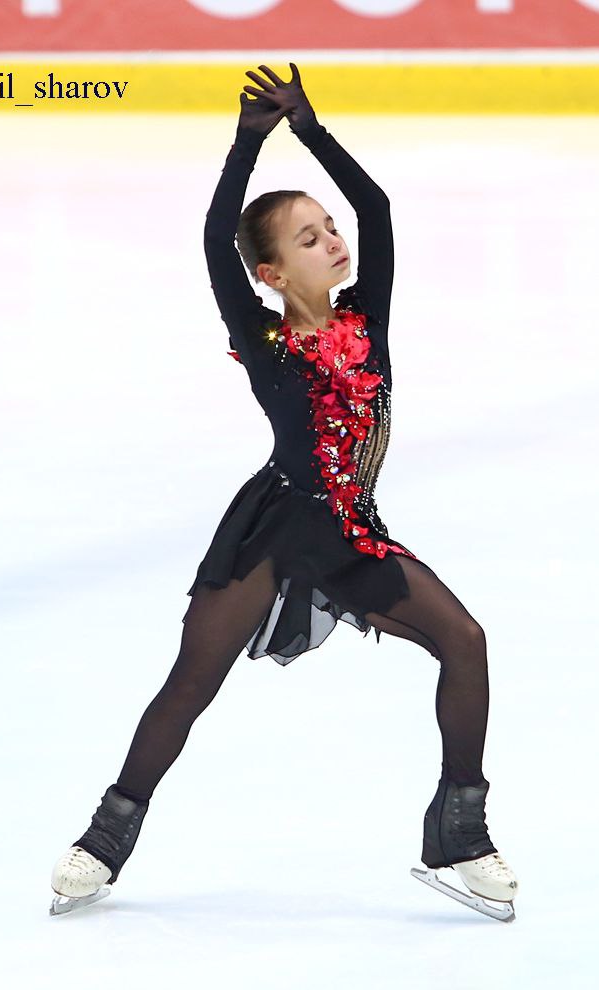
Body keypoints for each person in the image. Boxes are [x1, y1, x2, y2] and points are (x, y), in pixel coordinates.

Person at [49, 63, 518, 921]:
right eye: (308, 238)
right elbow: (211, 240)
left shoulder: (367, 320)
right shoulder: (264, 341)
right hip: (269, 532)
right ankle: (102, 842)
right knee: (190, 684)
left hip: (351, 534)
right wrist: (245, 146)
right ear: (270, 272)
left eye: (327, 228)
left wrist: (309, 129)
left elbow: (377, 208)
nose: (333, 240)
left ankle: (461, 834)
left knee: (466, 641)